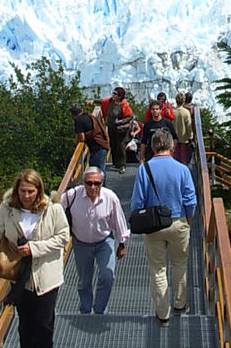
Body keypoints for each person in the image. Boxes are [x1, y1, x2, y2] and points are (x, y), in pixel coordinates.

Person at [0, 168, 69, 348]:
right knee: (25, 327)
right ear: (17, 190)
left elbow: (63, 236)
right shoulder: (8, 207)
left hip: (46, 276)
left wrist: (34, 248)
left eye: (31, 191)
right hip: (20, 276)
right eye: (22, 191)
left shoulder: (52, 209)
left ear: (39, 190)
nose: (26, 196)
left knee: (43, 326)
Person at [130, 128, 197, 326]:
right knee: (180, 265)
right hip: (178, 221)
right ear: (172, 145)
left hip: (153, 225)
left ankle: (162, 314)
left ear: (152, 146)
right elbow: (190, 199)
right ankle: (179, 304)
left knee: (158, 270)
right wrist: (189, 219)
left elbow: (137, 202)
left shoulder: (144, 169)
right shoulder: (182, 169)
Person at [60, 165, 129, 314]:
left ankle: (100, 310)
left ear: (102, 183)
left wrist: (121, 243)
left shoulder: (110, 198)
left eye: (97, 183)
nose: (92, 187)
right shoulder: (72, 195)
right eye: (89, 183)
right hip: (81, 243)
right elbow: (55, 211)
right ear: (83, 182)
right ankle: (85, 310)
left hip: (104, 241)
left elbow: (119, 220)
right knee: (84, 281)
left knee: (107, 276)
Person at [69, 103, 109, 183]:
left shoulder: (78, 121)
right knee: (100, 169)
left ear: (72, 114)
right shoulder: (88, 116)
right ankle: (101, 188)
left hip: (96, 148)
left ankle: (102, 189)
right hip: (102, 144)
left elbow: (82, 138)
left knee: (97, 170)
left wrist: (75, 143)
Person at [101, 86, 133, 174]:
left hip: (121, 128)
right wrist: (92, 101)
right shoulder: (110, 102)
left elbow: (130, 116)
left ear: (120, 96)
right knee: (113, 144)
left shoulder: (124, 105)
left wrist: (122, 121)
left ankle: (122, 165)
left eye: (115, 94)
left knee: (121, 145)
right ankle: (116, 163)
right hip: (111, 126)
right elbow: (102, 101)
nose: (113, 95)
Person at [173, 92, 194, 164]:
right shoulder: (186, 112)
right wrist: (190, 136)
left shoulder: (173, 112)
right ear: (183, 101)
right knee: (183, 158)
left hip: (174, 138)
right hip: (184, 138)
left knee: (175, 157)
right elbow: (189, 126)